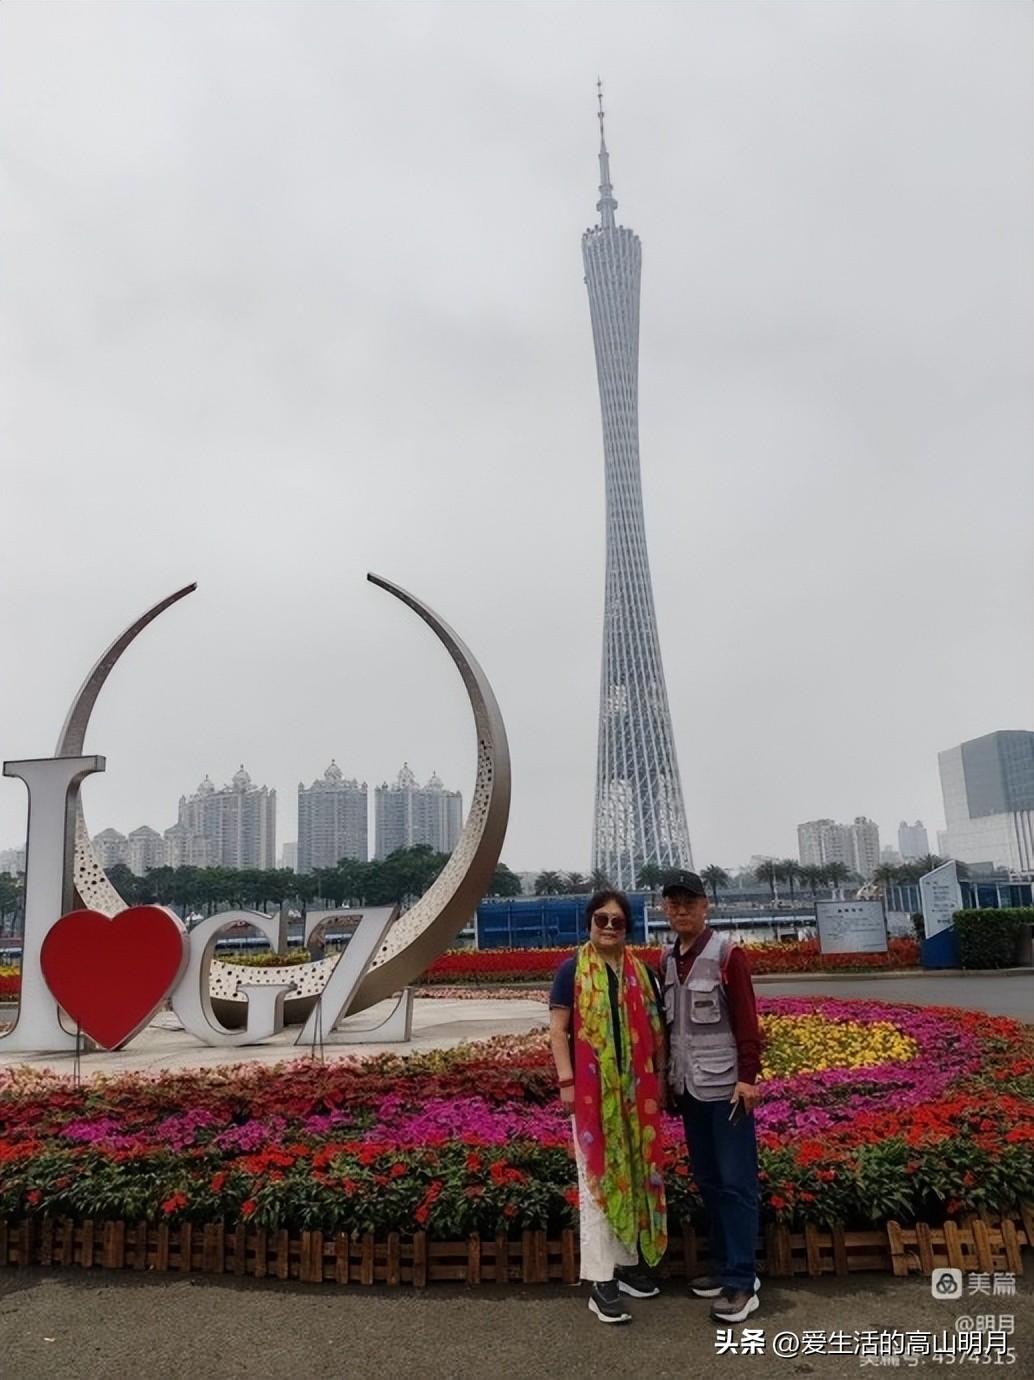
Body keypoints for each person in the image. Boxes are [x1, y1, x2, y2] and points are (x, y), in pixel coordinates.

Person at [549, 889, 668, 1324]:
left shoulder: (644, 974)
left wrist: (661, 1080)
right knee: (596, 1181)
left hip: (637, 1096)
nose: (609, 927)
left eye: (618, 921)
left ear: (628, 928)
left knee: (633, 1175)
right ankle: (600, 1281)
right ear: (589, 922)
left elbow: (657, 1036)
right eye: (602, 919)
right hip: (591, 1096)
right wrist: (566, 1080)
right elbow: (558, 1031)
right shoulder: (570, 971)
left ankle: (625, 1264)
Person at [658, 869, 762, 1325]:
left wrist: (749, 1077)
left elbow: (746, 1020)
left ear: (705, 907)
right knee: (711, 1182)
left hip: (727, 1091)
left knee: (737, 1183)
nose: (681, 910)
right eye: (673, 903)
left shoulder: (726, 955)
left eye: (689, 903)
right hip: (689, 1090)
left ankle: (742, 1282)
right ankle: (726, 1269)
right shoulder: (665, 959)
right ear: (665, 908)